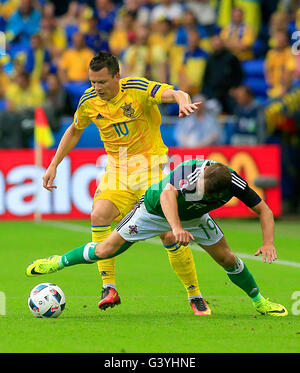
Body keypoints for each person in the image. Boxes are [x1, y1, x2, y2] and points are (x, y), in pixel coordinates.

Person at [41, 51, 204, 314]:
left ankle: (194, 294)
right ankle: (109, 287)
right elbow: (74, 129)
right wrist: (53, 164)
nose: (97, 88)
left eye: (102, 82)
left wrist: (183, 102)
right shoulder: (89, 101)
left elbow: (174, 93)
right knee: (99, 213)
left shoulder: (137, 89)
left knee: (167, 233)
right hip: (118, 171)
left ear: (117, 76)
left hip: (150, 169)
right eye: (93, 82)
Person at [26, 159, 288, 317]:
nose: (200, 192)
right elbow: (167, 196)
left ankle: (260, 302)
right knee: (106, 250)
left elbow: (264, 209)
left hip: (194, 219)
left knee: (228, 258)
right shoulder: (192, 172)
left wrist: (268, 242)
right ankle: (57, 262)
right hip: (152, 211)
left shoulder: (234, 182)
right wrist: (175, 228)